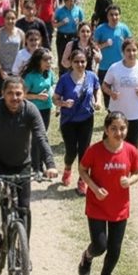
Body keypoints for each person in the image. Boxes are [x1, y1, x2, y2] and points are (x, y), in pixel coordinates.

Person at [0, 76, 58, 241]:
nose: (14, 97)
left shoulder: (31, 110)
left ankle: (24, 250)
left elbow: (41, 138)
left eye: (18, 93)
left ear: (24, 94)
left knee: (24, 209)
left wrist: (50, 164)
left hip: (21, 163)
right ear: (3, 93)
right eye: (10, 93)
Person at [77, 111, 138, 275]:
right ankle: (87, 257)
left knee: (115, 249)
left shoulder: (131, 150)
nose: (118, 132)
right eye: (114, 128)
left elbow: (137, 172)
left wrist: (130, 181)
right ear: (106, 129)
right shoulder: (95, 150)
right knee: (100, 245)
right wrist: (95, 188)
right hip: (97, 204)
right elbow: (82, 169)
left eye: (122, 128)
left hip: (120, 206)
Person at [53, 49, 102, 195]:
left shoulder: (91, 76)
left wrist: (98, 101)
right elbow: (54, 99)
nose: (80, 64)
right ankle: (68, 167)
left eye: (82, 62)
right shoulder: (64, 79)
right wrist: (63, 104)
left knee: (84, 151)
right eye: (76, 62)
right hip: (69, 120)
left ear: (86, 62)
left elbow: (97, 90)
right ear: (71, 63)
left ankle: (82, 181)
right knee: (71, 150)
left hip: (86, 118)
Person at [102, 38, 138, 148]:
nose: (131, 53)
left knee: (131, 147)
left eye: (134, 50)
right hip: (116, 113)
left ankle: (129, 166)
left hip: (136, 115)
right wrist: (111, 93)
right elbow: (104, 85)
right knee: (109, 144)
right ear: (123, 52)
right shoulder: (115, 67)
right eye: (128, 50)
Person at [20, 48, 56, 173]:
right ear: (38, 60)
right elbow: (22, 95)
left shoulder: (50, 73)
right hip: (34, 110)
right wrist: (37, 96)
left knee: (43, 136)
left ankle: (40, 163)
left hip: (46, 108)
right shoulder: (30, 76)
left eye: (50, 59)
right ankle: (36, 167)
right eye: (45, 60)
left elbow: (52, 86)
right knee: (37, 137)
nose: (49, 62)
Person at [94, 5, 132, 109]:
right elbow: (94, 47)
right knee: (107, 92)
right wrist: (105, 44)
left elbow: (131, 45)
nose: (114, 17)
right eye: (111, 15)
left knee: (121, 91)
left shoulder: (124, 28)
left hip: (121, 66)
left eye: (116, 14)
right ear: (107, 16)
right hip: (104, 67)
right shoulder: (101, 29)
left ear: (119, 16)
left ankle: (121, 113)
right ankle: (110, 112)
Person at [0, 9, 24, 99]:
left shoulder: (21, 33)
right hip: (0, 69)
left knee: (13, 94)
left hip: (15, 70)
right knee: (0, 94)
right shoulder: (0, 33)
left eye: (13, 18)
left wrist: (21, 68)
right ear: (4, 19)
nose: (10, 21)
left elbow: (22, 51)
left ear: (16, 19)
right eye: (8, 18)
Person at [53, 0, 85, 74]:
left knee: (73, 55)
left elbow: (83, 23)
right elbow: (54, 24)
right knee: (62, 56)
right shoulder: (59, 11)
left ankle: (72, 73)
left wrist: (79, 23)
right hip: (62, 36)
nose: (71, 3)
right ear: (65, 2)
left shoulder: (78, 10)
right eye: (69, 1)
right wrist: (62, 23)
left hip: (73, 36)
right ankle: (62, 75)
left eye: (73, 1)